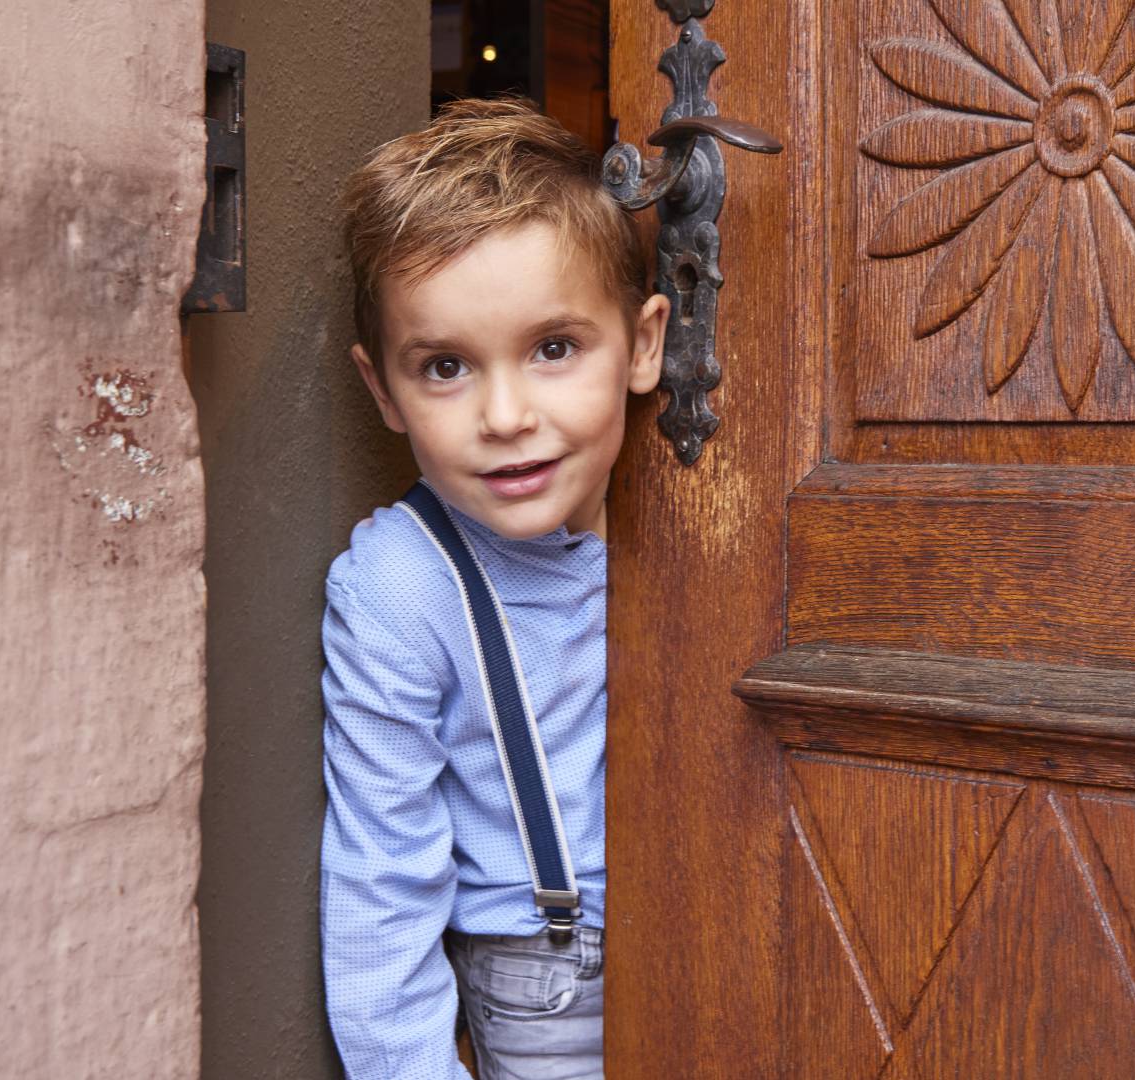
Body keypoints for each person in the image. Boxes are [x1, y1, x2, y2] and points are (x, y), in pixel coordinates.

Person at [319, 97, 668, 1080]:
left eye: (553, 348)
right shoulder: (403, 585)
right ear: (383, 389)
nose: (506, 415)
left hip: (722, 928)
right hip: (547, 984)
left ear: (643, 345)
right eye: (444, 367)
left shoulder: (698, 520)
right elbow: (379, 891)